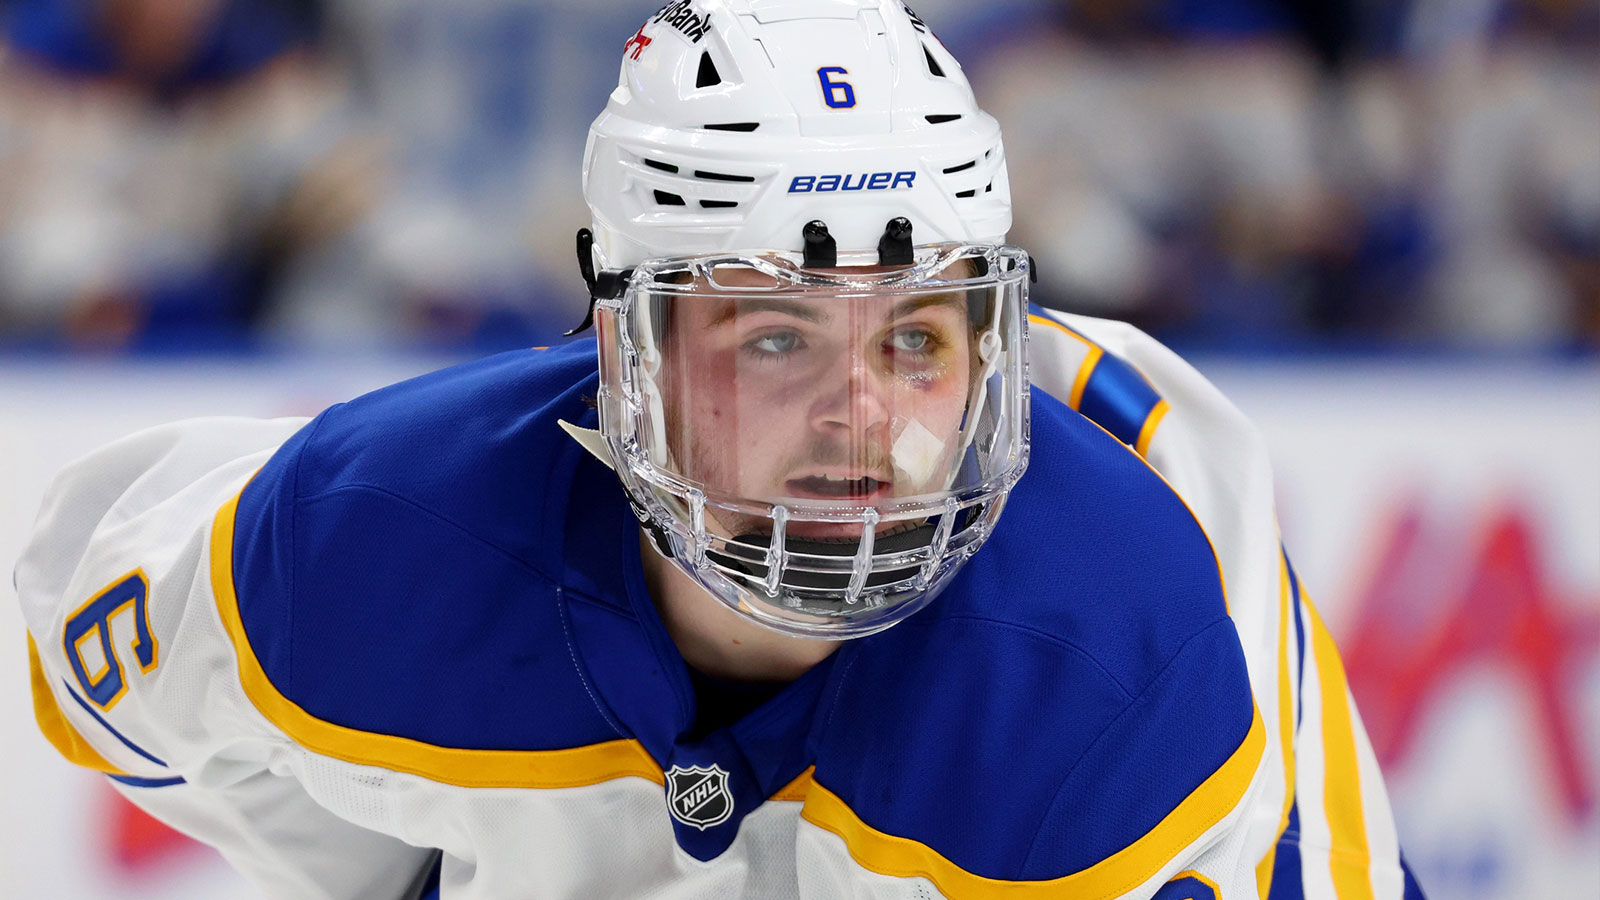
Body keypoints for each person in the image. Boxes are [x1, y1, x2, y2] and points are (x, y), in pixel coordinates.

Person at [16, 2, 1426, 898]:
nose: (864, 416)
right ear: (620, 348)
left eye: (919, 339)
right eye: (773, 337)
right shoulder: (371, 536)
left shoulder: (1100, 652)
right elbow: (98, 662)